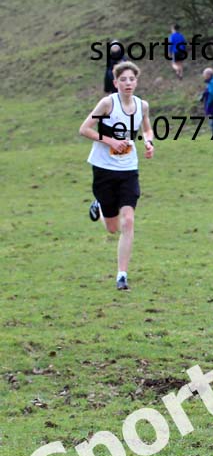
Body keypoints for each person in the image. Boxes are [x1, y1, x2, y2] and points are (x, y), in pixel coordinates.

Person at [79, 61, 155, 291]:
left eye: (131, 79)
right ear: (115, 83)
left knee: (128, 221)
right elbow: (84, 129)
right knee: (112, 228)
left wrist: (149, 142)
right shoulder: (107, 104)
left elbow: (147, 129)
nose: (128, 83)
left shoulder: (142, 106)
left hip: (128, 169)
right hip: (103, 168)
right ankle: (100, 207)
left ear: (136, 82)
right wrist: (110, 141)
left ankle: (122, 275)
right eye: (123, 80)